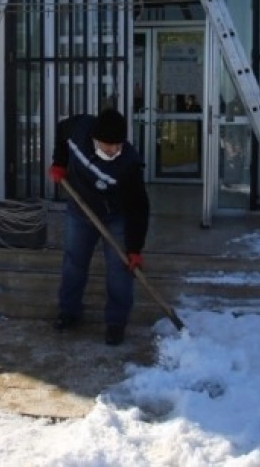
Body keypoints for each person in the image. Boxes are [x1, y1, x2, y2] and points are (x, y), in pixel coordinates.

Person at [48, 108, 150, 346]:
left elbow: (138, 208)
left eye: (118, 145)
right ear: (94, 139)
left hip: (115, 216)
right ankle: (69, 312)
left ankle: (116, 323)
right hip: (80, 210)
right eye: (107, 145)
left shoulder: (129, 164)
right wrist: (59, 162)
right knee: (74, 262)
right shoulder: (78, 130)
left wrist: (134, 248)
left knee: (119, 270)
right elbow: (61, 131)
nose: (113, 150)